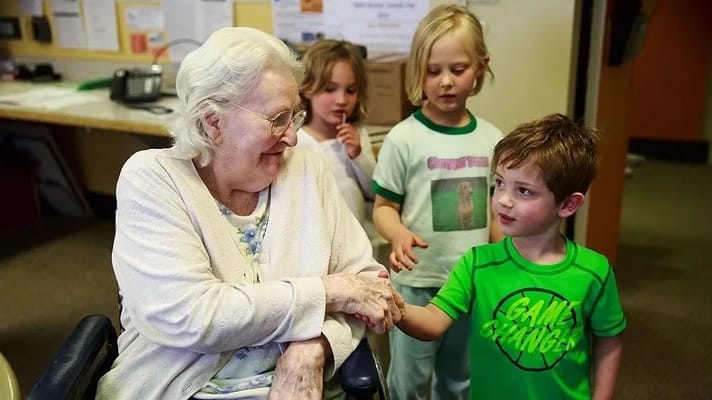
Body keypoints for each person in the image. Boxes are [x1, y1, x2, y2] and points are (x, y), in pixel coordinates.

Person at [96, 27, 403, 400]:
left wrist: (315, 346)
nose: (291, 136)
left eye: (295, 117)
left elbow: (369, 285)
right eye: (277, 119)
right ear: (213, 122)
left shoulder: (307, 169)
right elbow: (194, 316)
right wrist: (329, 291)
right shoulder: (152, 179)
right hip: (179, 389)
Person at [396, 114, 627, 400]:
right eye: (500, 183)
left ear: (568, 204)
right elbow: (432, 321)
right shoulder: (477, 263)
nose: (503, 199)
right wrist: (396, 308)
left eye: (524, 191)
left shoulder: (594, 271)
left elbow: (609, 340)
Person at [371, 4, 504, 399]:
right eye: (433, 71)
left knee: (459, 379)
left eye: (458, 69)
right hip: (417, 284)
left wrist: (505, 260)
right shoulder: (404, 139)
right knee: (409, 382)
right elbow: (383, 207)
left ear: (481, 66)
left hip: (470, 283)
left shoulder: (493, 140)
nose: (445, 82)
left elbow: (496, 212)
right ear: (418, 71)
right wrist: (396, 235)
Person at [297, 39, 376, 228]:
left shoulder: (358, 137)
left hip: (357, 242)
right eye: (330, 89)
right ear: (307, 88)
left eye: (350, 91)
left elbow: (376, 192)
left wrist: (358, 154)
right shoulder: (296, 142)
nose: (341, 100)